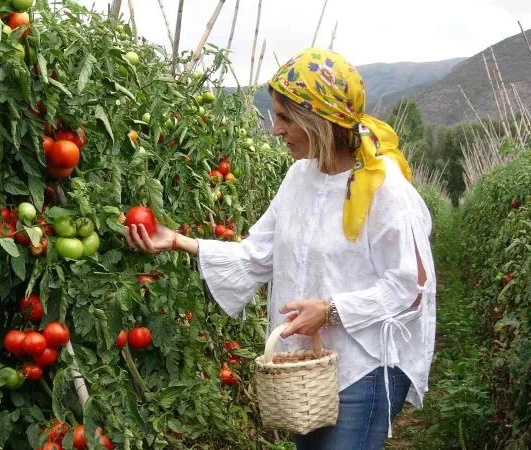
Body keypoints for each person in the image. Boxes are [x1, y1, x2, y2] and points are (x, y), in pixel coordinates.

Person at [125, 48, 436, 450]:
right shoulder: (297, 178)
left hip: (365, 364)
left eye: (286, 118)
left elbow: (412, 286)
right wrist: (179, 241)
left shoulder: (384, 187)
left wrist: (330, 309)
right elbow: (259, 255)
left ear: (321, 121)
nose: (275, 129)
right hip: (306, 369)